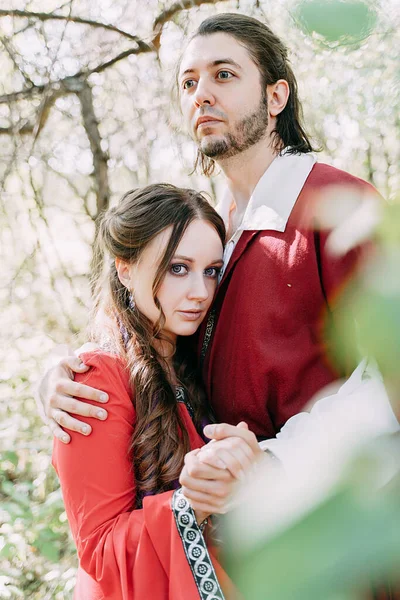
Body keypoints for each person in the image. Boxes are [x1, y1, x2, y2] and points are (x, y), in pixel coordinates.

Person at [40, 13, 399, 599]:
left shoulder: (340, 206)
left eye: (224, 74)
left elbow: (390, 382)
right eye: (188, 82)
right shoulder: (213, 230)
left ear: (276, 94)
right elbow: (144, 325)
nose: (202, 93)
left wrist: (274, 466)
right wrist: (63, 372)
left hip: (329, 545)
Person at [51, 182, 263, 600]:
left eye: (211, 271)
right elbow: (100, 550)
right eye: (178, 268)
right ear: (125, 268)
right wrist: (194, 502)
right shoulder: (96, 379)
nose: (200, 293)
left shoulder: (189, 354)